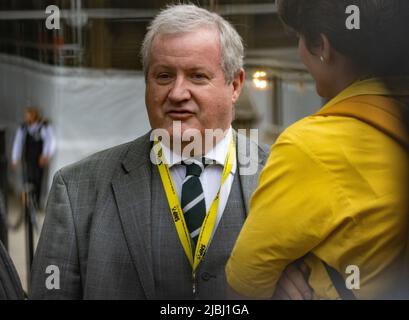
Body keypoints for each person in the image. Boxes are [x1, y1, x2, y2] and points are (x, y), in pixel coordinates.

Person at [30, 4, 270, 299]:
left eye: (197, 76)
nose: (178, 93)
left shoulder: (284, 178)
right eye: (164, 76)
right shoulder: (77, 190)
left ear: (235, 85)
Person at [226, 0, 409, 300]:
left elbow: (243, 287)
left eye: (299, 37)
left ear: (322, 46)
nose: (298, 51)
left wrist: (289, 270)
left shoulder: (309, 146)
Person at [12, 107, 56, 208]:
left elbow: (50, 141)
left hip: (39, 159)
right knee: (26, 180)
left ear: (34, 116)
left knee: (37, 180)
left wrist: (46, 155)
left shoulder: (44, 126)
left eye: (28, 116)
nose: (26, 118)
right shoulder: (23, 127)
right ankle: (27, 204)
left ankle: (35, 203)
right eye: (26, 116)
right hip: (27, 159)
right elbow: (18, 143)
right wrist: (15, 157)